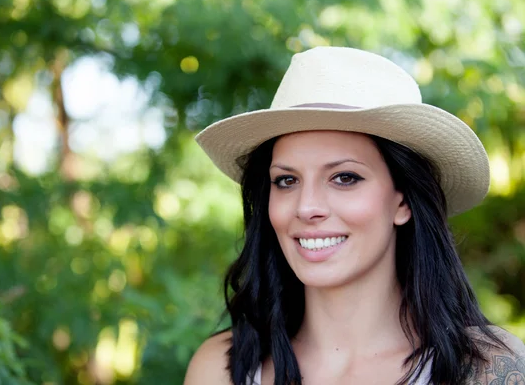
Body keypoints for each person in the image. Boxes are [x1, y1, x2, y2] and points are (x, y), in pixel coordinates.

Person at [183, 47, 525, 385]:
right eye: (287, 181)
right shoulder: (222, 369)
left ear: (403, 201)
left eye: (345, 177)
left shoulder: (486, 368)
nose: (306, 207)